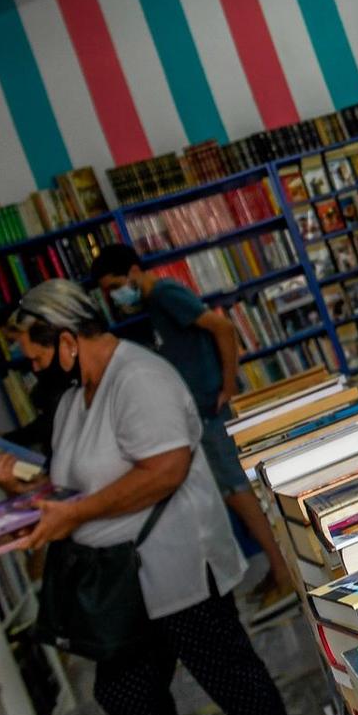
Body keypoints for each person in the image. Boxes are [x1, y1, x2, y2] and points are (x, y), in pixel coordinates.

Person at [0, 281, 309, 715]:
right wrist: (16, 490)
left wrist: (74, 517)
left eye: (34, 351)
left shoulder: (140, 379)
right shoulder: (75, 396)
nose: (30, 364)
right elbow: (72, 487)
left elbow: (165, 472)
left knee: (225, 672)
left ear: (65, 339)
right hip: (124, 579)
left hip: (177, 564)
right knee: (124, 690)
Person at [91, 244, 294, 614]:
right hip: (198, 413)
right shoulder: (154, 304)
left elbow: (223, 327)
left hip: (209, 411)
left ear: (134, 271)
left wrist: (228, 384)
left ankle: (284, 574)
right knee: (234, 494)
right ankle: (277, 569)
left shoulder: (167, 294)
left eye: (116, 284)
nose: (114, 295)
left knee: (239, 494)